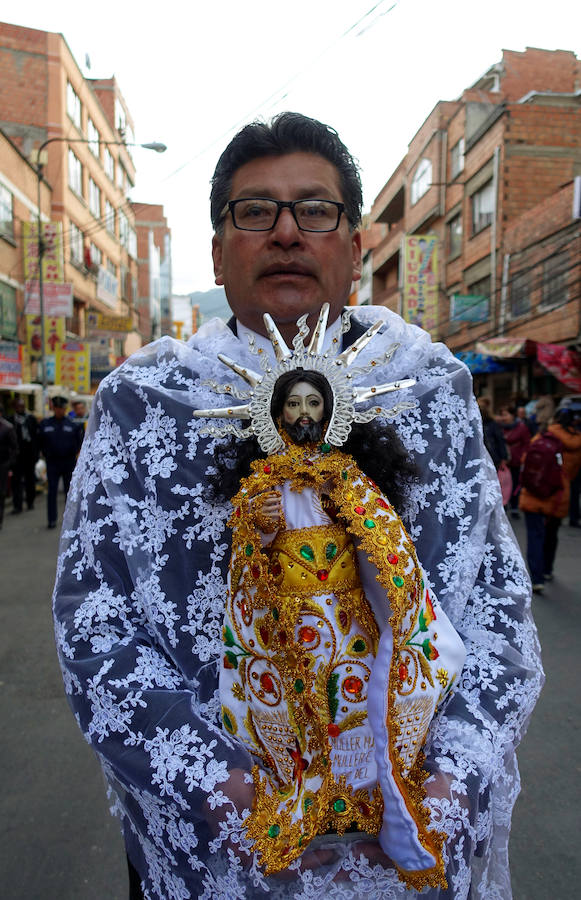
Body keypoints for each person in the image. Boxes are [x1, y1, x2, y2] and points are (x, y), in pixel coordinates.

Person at [52, 112, 543, 899]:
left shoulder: (430, 388)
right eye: (255, 211)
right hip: (223, 847)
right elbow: (95, 619)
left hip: (410, 844)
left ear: (354, 245)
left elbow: (493, 603)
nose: (286, 231)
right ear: (217, 253)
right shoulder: (145, 403)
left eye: (315, 210)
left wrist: (450, 780)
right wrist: (219, 786)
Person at [519, 408, 581, 590]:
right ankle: (547, 568)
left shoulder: (541, 438)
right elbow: (573, 471)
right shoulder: (577, 442)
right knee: (551, 533)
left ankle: (537, 578)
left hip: (533, 493)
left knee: (535, 535)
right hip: (559, 493)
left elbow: (525, 459)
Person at [38, 395, 83, 528]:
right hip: (52, 462)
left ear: (65, 409)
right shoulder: (45, 424)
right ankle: (52, 519)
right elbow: (40, 442)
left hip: (68, 462)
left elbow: (79, 442)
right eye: (57, 408)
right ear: (54, 408)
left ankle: (69, 520)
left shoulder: (72, 424)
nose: (59, 411)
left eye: (61, 408)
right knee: (52, 491)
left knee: (69, 493)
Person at [8, 397, 39, 513]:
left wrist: (36, 453)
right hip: (17, 456)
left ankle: (30, 501)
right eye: (18, 406)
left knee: (30, 479)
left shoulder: (30, 419)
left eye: (22, 406)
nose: (21, 408)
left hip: (29, 455)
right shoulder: (11, 420)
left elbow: (36, 437)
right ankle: (17, 505)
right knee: (16, 481)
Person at [498, 404, 530, 517]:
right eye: (502, 415)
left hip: (516, 460)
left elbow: (527, 443)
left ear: (512, 415)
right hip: (503, 461)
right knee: (503, 483)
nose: (503, 417)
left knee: (515, 483)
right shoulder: (499, 427)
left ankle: (514, 506)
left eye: (505, 415)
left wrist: (523, 456)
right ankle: (504, 504)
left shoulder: (521, 427)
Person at [0, 403, 18, 530]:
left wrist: (9, 465)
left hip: (2, 465)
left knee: (0, 493)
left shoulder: (7, 428)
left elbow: (14, 448)